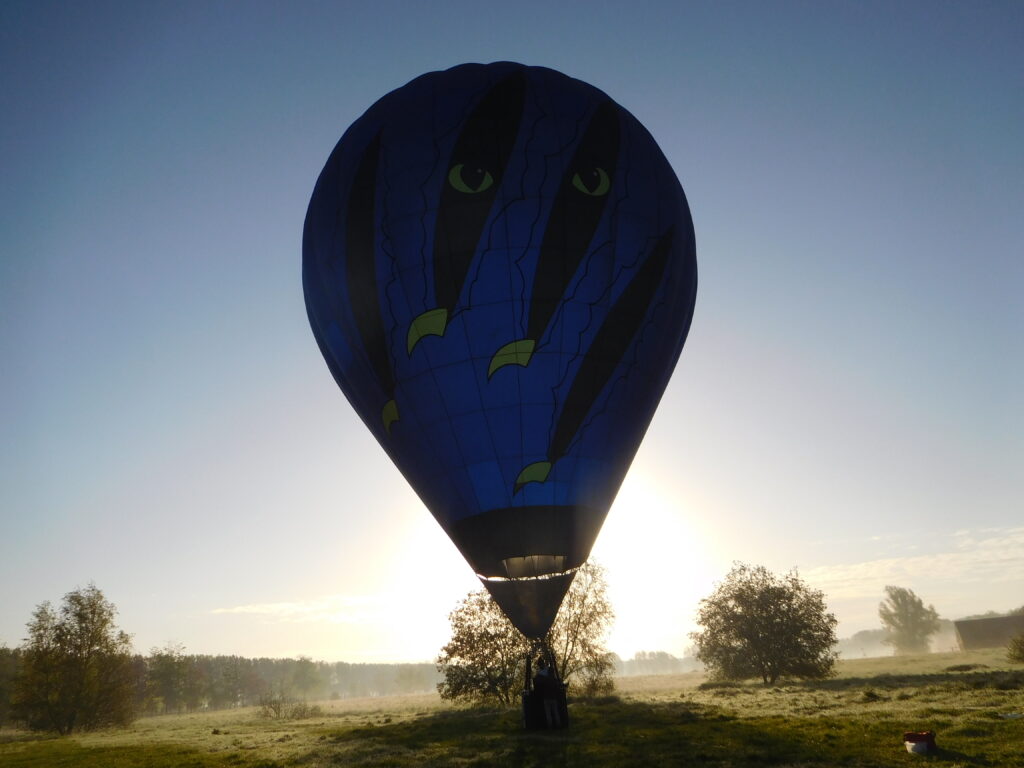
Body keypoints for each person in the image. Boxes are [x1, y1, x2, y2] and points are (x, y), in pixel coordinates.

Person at [533, 658, 561, 728]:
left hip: (546, 696)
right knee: (555, 712)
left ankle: (550, 726)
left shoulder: (539, 675)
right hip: (553, 696)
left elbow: (536, 684)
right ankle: (558, 725)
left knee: (548, 713)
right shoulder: (550, 672)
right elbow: (556, 683)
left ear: (539, 665)